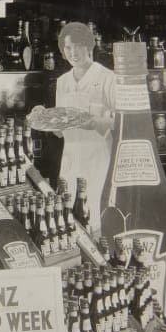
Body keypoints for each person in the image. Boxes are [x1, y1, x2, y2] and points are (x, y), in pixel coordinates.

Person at [48, 21, 115, 236]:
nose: (73, 53)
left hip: (98, 162)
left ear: (89, 46)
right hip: (70, 160)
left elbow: (120, 122)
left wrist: (94, 123)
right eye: (67, 47)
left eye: (77, 46)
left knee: (94, 220)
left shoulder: (107, 78)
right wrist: (47, 120)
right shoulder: (63, 82)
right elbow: (59, 131)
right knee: (68, 221)